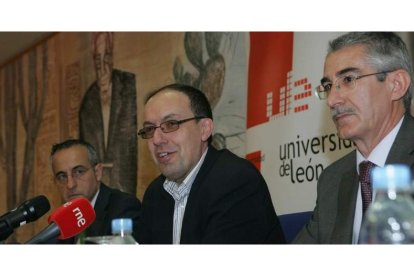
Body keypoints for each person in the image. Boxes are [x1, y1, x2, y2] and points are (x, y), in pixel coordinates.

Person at [294, 32, 414, 244]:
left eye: (348, 79)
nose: (332, 100)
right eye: (329, 86)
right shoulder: (332, 179)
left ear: (396, 84)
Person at [136, 83, 285, 244]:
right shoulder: (156, 193)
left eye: (171, 124)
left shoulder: (236, 181)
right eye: (150, 129)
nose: (157, 139)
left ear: (204, 129)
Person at [49, 139, 141, 244]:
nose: (70, 185)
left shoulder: (123, 207)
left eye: (79, 172)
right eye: (62, 176)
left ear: (97, 172)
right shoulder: (62, 221)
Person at [79, 32, 138, 195]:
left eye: (106, 58)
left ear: (112, 58)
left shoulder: (129, 85)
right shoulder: (88, 102)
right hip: (99, 196)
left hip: (128, 189)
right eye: (98, 61)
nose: (103, 69)